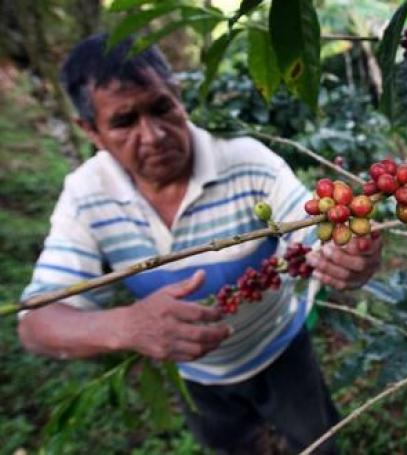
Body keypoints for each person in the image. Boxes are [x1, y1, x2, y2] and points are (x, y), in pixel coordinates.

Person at [16, 33, 382, 454]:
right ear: (90, 130)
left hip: (281, 349)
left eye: (161, 107)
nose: (153, 135)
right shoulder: (85, 197)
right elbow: (36, 322)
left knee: (316, 441)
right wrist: (124, 326)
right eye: (123, 122)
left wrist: (345, 251)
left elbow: (311, 226)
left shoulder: (245, 159)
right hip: (199, 378)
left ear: (178, 94)